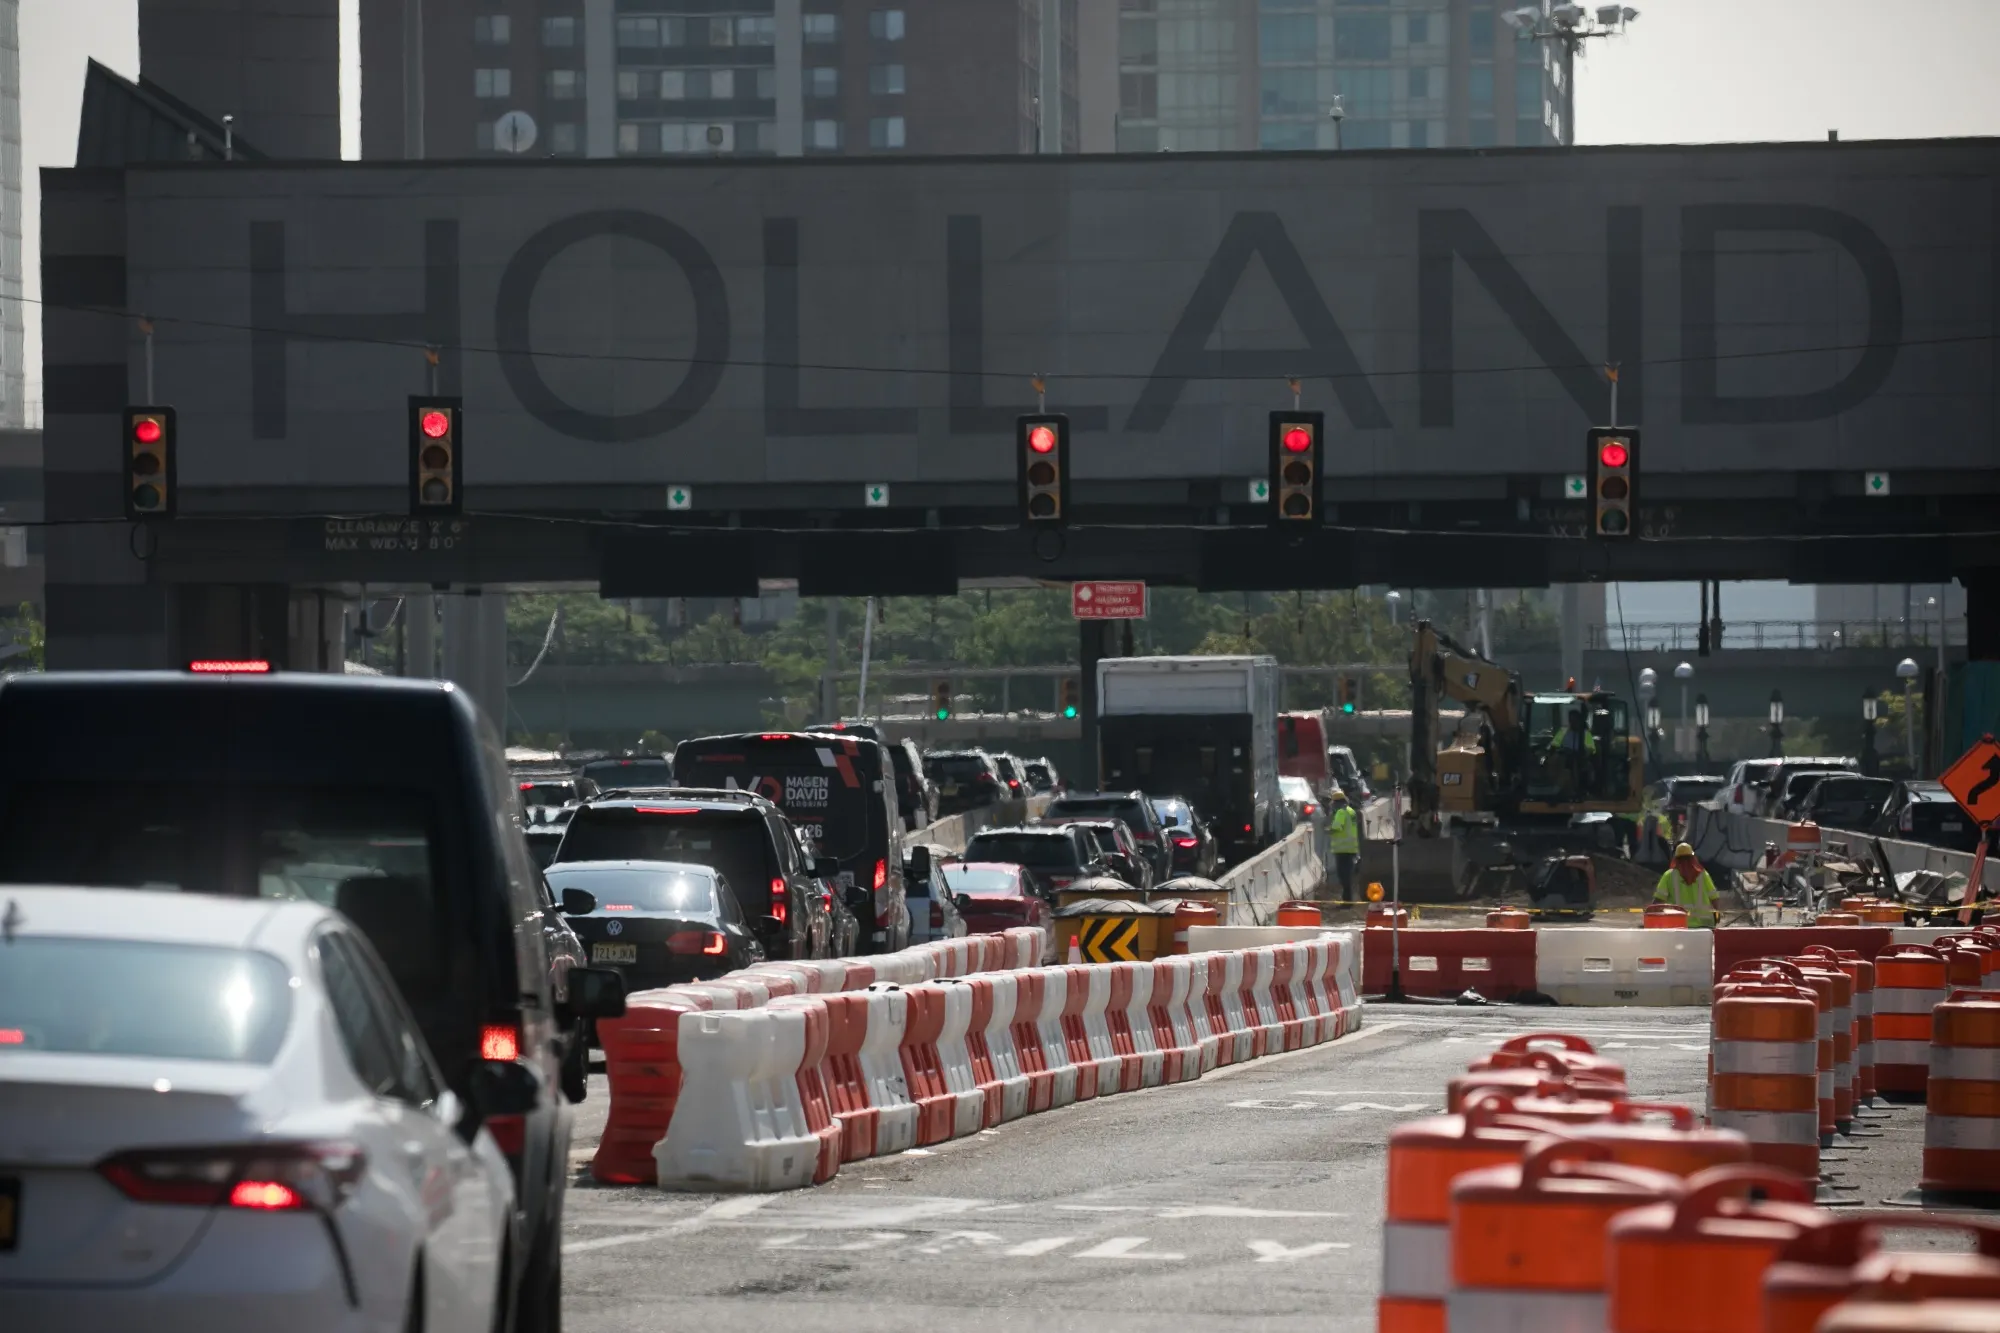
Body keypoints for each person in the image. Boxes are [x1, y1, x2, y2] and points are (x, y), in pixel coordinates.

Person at [1655, 842, 1721, 928]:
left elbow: (1658, 901)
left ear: (1676, 859)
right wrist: (1717, 914)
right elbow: (1714, 898)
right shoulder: (1703, 875)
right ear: (1693, 858)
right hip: (1705, 924)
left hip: (1679, 924)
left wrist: (1650, 914)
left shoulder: (1668, 876)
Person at [1326, 789, 1361, 903]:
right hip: (1352, 847)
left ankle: (1347, 899)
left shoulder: (1340, 812)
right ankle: (1349, 897)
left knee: (1343, 875)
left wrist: (1327, 830)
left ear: (1336, 803)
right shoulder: (1351, 811)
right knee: (1349, 874)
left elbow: (1337, 827)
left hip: (1342, 848)